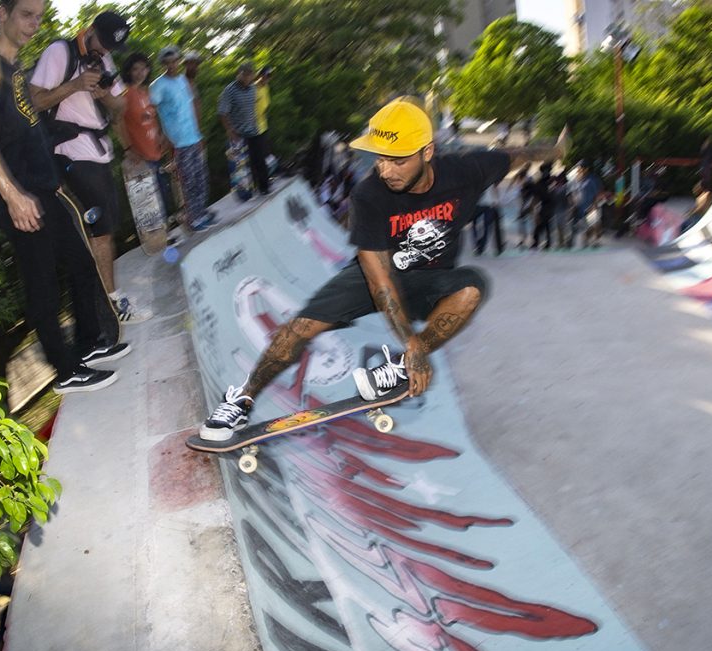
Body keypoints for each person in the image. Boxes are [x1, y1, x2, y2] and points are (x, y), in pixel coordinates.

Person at [198, 97, 525, 440]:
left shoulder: (466, 171)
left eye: (398, 161)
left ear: (427, 152)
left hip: (432, 279)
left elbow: (516, 155)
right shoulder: (370, 194)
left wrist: (553, 151)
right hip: (376, 276)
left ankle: (398, 367)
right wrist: (411, 344)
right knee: (299, 329)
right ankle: (242, 399)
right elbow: (380, 282)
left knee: (473, 286)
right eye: (381, 159)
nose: (386, 171)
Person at [0, 0, 128, 394]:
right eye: (26, 15)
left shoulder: (15, 67)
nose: (34, 24)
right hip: (19, 195)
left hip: (43, 188)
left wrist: (50, 181)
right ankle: (65, 371)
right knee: (42, 285)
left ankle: (88, 344)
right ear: (2, 13)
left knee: (82, 263)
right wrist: (13, 196)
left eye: (38, 17)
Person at [28, 10, 150, 324]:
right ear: (91, 29)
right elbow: (35, 100)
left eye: (113, 46)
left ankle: (108, 300)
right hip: (71, 150)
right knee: (99, 231)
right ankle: (111, 305)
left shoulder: (104, 59)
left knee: (106, 229)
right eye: (104, 41)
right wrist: (75, 85)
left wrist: (104, 95)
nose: (107, 49)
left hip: (99, 151)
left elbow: (121, 105)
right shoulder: (60, 52)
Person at [150, 45, 215, 231]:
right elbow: (151, 113)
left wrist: (198, 133)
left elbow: (190, 107)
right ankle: (192, 219)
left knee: (201, 178)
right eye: (167, 63)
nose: (172, 65)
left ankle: (200, 213)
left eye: (174, 61)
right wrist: (162, 136)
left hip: (193, 137)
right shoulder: (157, 85)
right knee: (187, 182)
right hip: (177, 143)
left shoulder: (182, 81)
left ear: (179, 61)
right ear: (163, 64)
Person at [115, 52, 176, 230]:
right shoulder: (124, 94)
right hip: (140, 157)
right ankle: (157, 238)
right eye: (136, 69)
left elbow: (152, 118)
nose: (141, 72)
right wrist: (127, 149)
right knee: (149, 204)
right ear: (129, 71)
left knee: (164, 197)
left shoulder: (145, 92)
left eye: (144, 68)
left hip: (156, 152)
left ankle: (165, 236)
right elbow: (117, 122)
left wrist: (161, 135)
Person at [217, 62, 270, 197]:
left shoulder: (253, 89)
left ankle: (264, 187)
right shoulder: (229, 91)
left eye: (249, 75)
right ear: (238, 74)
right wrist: (229, 130)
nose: (247, 78)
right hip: (238, 134)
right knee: (242, 167)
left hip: (254, 130)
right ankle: (246, 193)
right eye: (244, 75)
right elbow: (222, 112)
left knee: (259, 159)